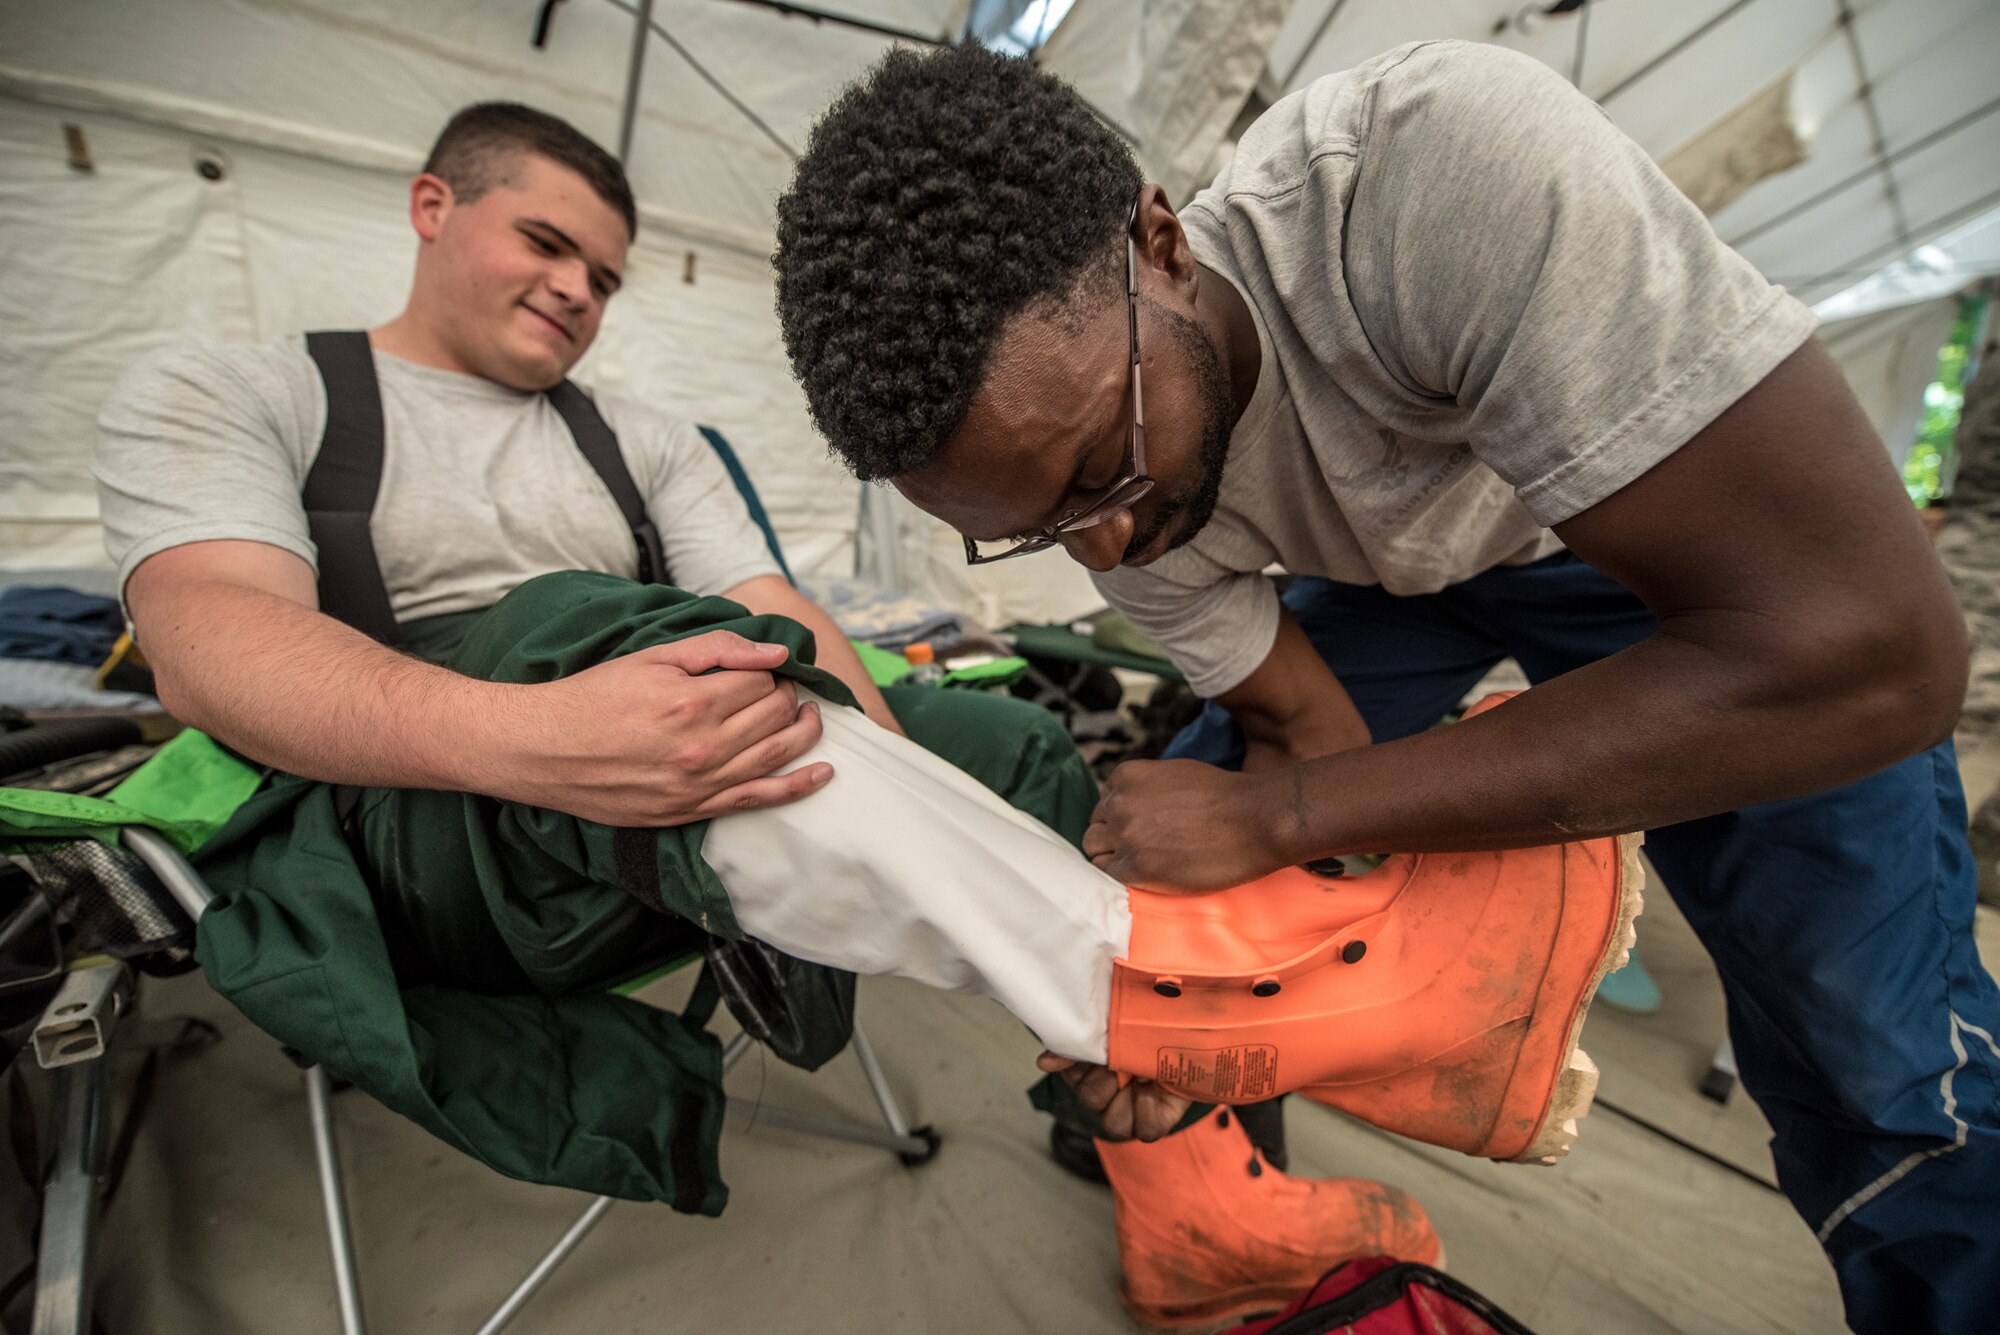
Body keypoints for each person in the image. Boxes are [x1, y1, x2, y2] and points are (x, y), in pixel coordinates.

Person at [92, 101, 1449, 1330]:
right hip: (428, 825)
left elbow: (778, 616)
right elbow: (213, 649)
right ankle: (1182, 990)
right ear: (433, 206)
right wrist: (538, 736)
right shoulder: (239, 392)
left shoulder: (645, 441)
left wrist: (909, 779)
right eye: (547, 245)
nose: (576, 292)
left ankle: (1173, 1175)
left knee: (1012, 745)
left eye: (605, 278)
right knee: (593, 624)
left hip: (667, 770)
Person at [770, 40, 2000, 1335]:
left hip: (1653, 537)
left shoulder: (1425, 181)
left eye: (1097, 467)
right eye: (1032, 528)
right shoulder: (1109, 501)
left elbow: (1880, 659)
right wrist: (1242, 996)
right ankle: (1217, 1192)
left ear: (1162, 242)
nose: (1105, 549)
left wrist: (1281, 824)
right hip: (1403, 578)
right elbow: (1304, 728)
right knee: (1190, 904)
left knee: (1872, 1042)